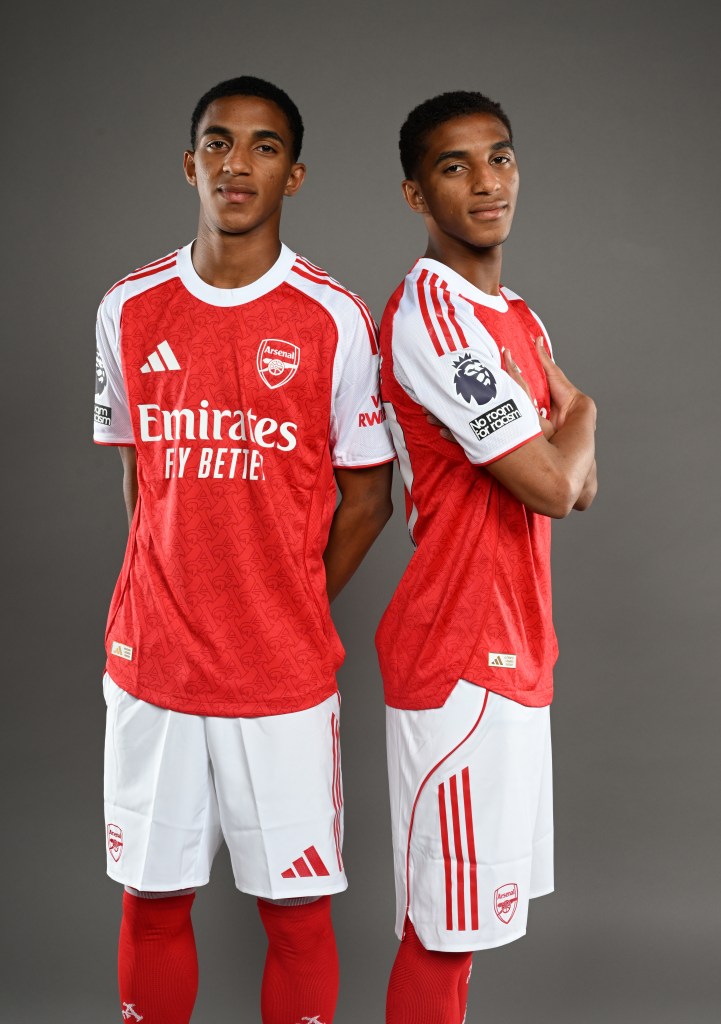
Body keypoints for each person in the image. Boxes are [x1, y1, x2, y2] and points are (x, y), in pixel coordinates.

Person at [93, 75, 395, 1024]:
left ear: (293, 175)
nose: (237, 163)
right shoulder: (128, 307)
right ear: (190, 163)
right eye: (218, 142)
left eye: (264, 146)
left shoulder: (332, 317)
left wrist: (287, 599)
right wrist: (167, 586)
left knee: (298, 916)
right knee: (151, 905)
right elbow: (142, 479)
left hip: (279, 672)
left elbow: (369, 497)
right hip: (155, 665)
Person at [376, 91, 597, 1024]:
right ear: (415, 194)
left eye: (498, 158)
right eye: (453, 166)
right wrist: (586, 413)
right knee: (440, 933)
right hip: (459, 653)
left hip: (516, 650)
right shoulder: (434, 316)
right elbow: (552, 481)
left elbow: (579, 488)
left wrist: (569, 445)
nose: (485, 182)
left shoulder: (518, 318)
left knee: (468, 933)